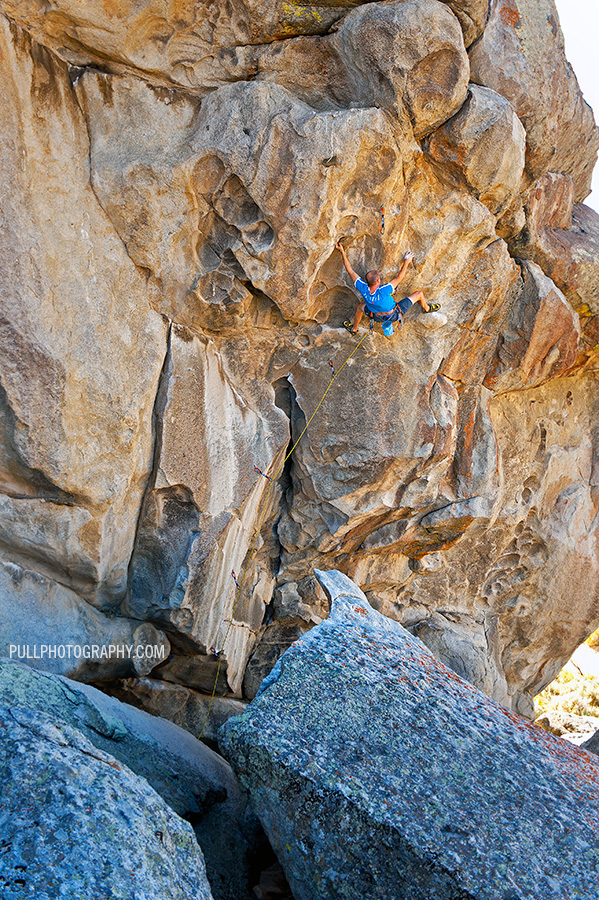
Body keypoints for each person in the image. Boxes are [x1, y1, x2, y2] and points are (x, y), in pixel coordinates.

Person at [336, 241, 440, 337]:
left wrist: (342, 252)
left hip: (376, 317)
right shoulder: (384, 290)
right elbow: (399, 277)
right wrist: (407, 262)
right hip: (394, 314)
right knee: (419, 294)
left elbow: (350, 270)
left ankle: (354, 329)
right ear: (378, 281)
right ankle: (427, 309)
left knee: (359, 307)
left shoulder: (363, 287)